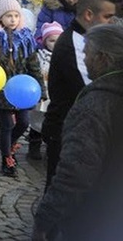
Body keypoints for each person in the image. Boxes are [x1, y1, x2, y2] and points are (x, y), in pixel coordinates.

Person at [32, 24, 123, 241]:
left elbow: (76, 171)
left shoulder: (95, 105)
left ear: (102, 58)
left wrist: (44, 219)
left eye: (87, 54)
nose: (84, 59)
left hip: (97, 220)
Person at [41, 0, 116, 189]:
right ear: (89, 15)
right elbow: (94, 87)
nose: (112, 22)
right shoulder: (75, 45)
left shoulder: (90, 40)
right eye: (107, 17)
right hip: (66, 130)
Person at [0, 0, 45, 178]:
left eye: (16, 15)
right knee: (7, 124)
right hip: (1, 89)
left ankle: (8, 145)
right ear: (1, 18)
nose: (13, 19)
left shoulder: (25, 38)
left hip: (21, 89)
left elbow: (33, 64)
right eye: (9, 16)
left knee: (23, 122)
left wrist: (41, 88)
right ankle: (7, 159)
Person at [29, 21, 63, 161]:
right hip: (41, 92)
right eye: (51, 40)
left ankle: (50, 144)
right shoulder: (39, 56)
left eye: (58, 40)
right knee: (36, 120)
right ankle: (34, 144)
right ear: (44, 41)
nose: (55, 44)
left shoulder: (64, 56)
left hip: (55, 95)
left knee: (53, 120)